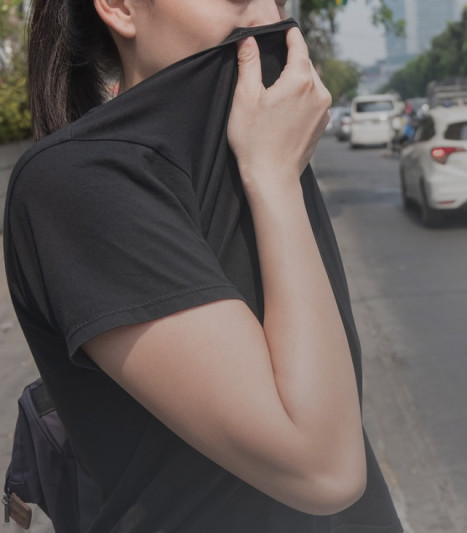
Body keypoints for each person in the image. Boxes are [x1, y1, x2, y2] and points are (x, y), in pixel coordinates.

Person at [4, 0, 401, 531]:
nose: (267, 18)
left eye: (278, 0)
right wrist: (276, 180)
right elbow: (324, 469)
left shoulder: (253, 138)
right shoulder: (79, 183)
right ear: (121, 8)